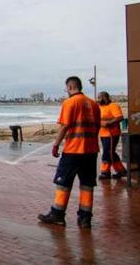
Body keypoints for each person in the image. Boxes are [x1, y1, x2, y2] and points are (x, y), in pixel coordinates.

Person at [38, 76, 101, 229]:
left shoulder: (70, 102)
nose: (66, 90)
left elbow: (65, 126)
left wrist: (56, 144)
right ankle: (85, 218)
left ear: (70, 87)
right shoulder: (93, 104)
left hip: (73, 150)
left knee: (63, 183)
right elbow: (97, 126)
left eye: (66, 88)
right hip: (91, 151)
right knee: (87, 184)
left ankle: (58, 215)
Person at [97, 91, 127, 179]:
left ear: (105, 98)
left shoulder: (113, 106)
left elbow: (120, 117)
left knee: (107, 152)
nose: (99, 99)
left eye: (100, 97)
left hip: (112, 134)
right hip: (103, 134)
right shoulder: (100, 108)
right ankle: (121, 171)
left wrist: (109, 123)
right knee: (110, 152)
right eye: (98, 98)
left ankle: (105, 172)